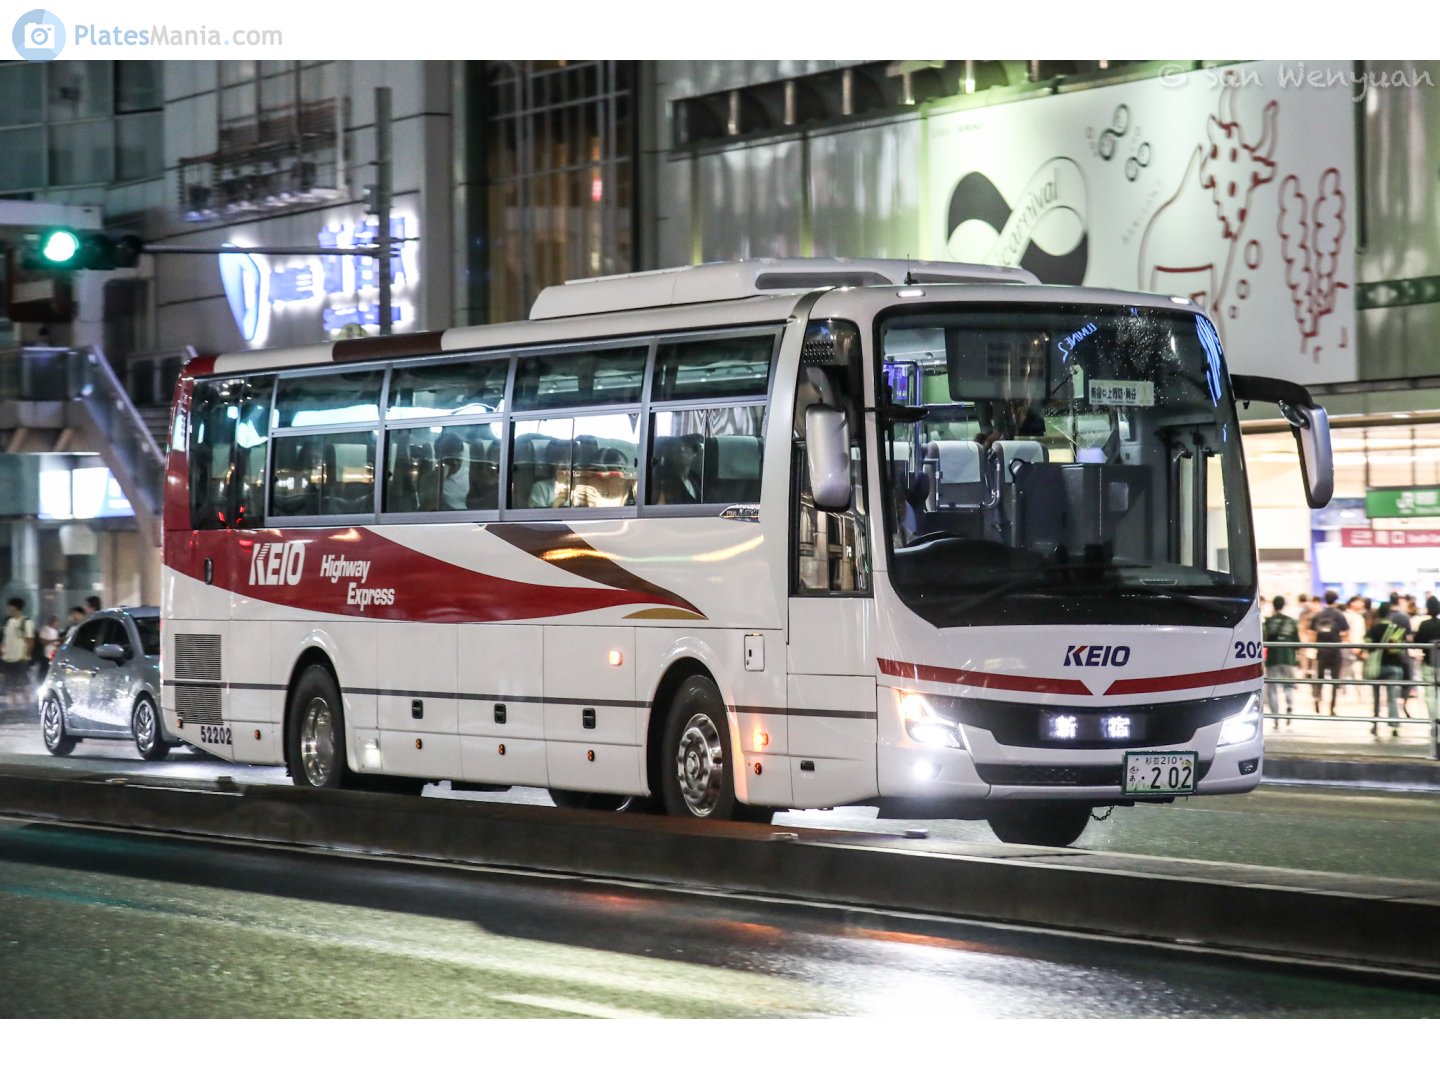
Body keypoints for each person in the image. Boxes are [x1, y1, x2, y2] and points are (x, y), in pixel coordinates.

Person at [1364, 603, 1409, 736]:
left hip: (1377, 667)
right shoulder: (1396, 628)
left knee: (1376, 698)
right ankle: (1394, 726)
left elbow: (1367, 644)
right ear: (1390, 614)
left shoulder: (1374, 628)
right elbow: (1402, 648)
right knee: (1392, 698)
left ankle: (1375, 725)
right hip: (1394, 666)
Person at [1307, 590, 1350, 716]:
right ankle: (1332, 708)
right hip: (1335, 650)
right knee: (1335, 681)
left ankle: (1317, 700)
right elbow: (1346, 631)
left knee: (1319, 678)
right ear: (1336, 600)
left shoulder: (1318, 615)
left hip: (1321, 650)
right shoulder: (1339, 615)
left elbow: (1312, 633)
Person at [1262, 596, 1301, 726]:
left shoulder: (1268, 622)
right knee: (1288, 686)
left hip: (1273, 658)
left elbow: (1264, 640)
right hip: (1288, 657)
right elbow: (1297, 643)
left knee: (1272, 688)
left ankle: (1275, 718)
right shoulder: (1291, 622)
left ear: (1273, 605)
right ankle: (1289, 709)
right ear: (1284, 605)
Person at [2, 598, 36, 709]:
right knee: (9, 684)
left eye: (10, 607)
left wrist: (25, 655)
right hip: (8, 658)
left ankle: (29, 704)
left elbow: (30, 640)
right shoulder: (8, 622)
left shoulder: (26, 622)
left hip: (20, 658)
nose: (8, 609)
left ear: (14, 608)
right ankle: (13, 706)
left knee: (23, 683)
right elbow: (5, 638)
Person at [1412, 596, 1440, 724]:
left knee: (1430, 694)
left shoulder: (1424, 624)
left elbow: (1418, 643)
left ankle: (1433, 721)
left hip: (1429, 662)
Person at [653, 435, 703, 504]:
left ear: (694, 453)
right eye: (678, 446)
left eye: (687, 445)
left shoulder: (697, 480)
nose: (682, 449)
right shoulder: (664, 482)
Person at [434, 431, 470, 511]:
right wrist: (439, 479)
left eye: (458, 459)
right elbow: (427, 507)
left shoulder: (469, 477)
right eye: (450, 460)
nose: (455, 464)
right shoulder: (431, 478)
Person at [35, 615, 60, 684]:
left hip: (53, 656)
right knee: (43, 673)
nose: (57, 623)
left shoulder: (55, 631)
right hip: (45, 655)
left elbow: (56, 643)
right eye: (56, 621)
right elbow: (43, 641)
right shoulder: (45, 629)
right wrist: (56, 640)